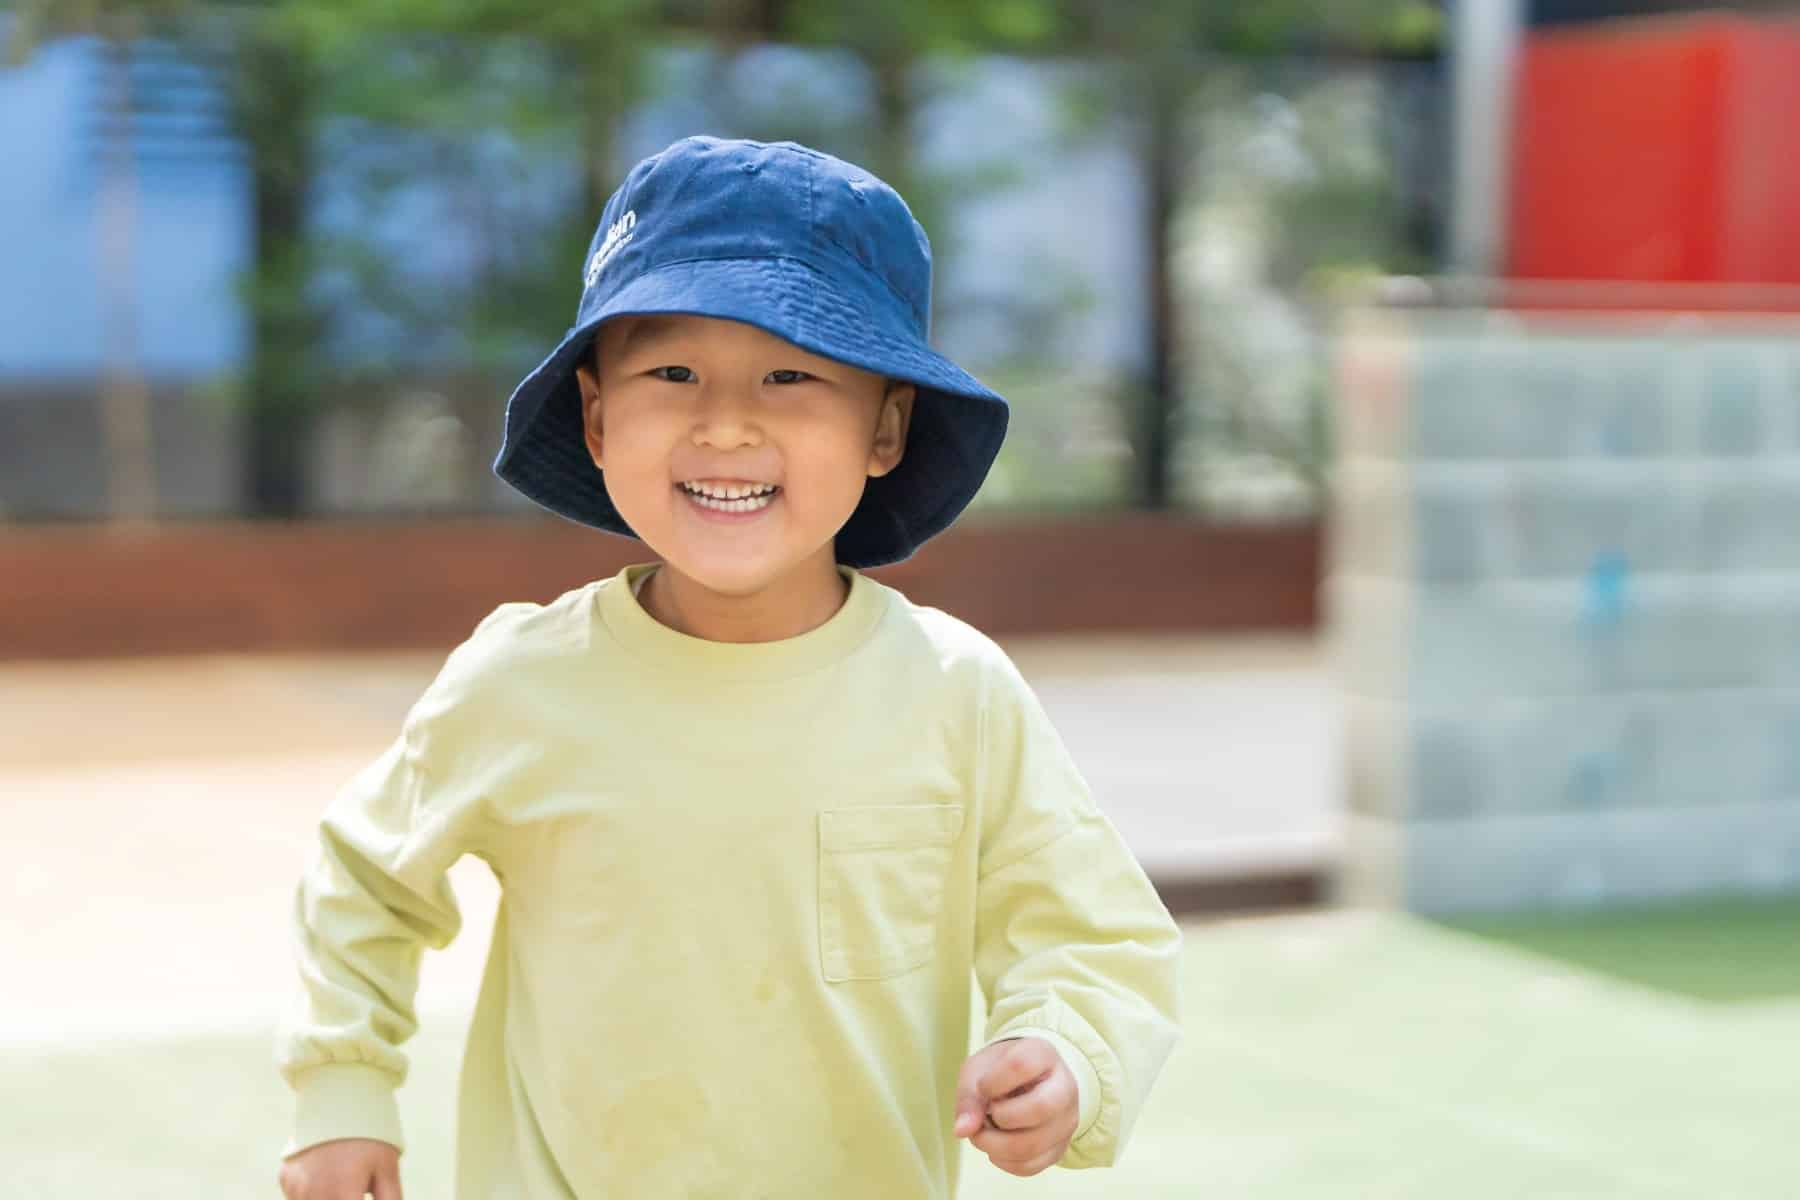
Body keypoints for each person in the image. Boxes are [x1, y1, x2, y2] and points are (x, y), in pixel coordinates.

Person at [275, 134, 1182, 1200]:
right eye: (672, 372)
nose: (727, 422)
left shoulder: (954, 694)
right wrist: (340, 1094)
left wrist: (1067, 1053)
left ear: (886, 425)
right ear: (599, 417)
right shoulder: (517, 684)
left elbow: (1095, 934)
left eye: (793, 373)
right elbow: (364, 882)